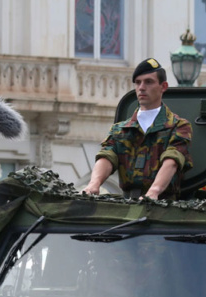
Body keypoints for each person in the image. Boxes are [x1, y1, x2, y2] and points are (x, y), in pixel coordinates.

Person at [82, 58, 193, 200]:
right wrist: (93, 184)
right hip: (128, 202)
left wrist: (154, 191)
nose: (141, 87)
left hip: (164, 204)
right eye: (138, 82)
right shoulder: (120, 130)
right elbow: (107, 156)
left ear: (163, 87)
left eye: (148, 82)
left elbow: (172, 160)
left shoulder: (178, 126)